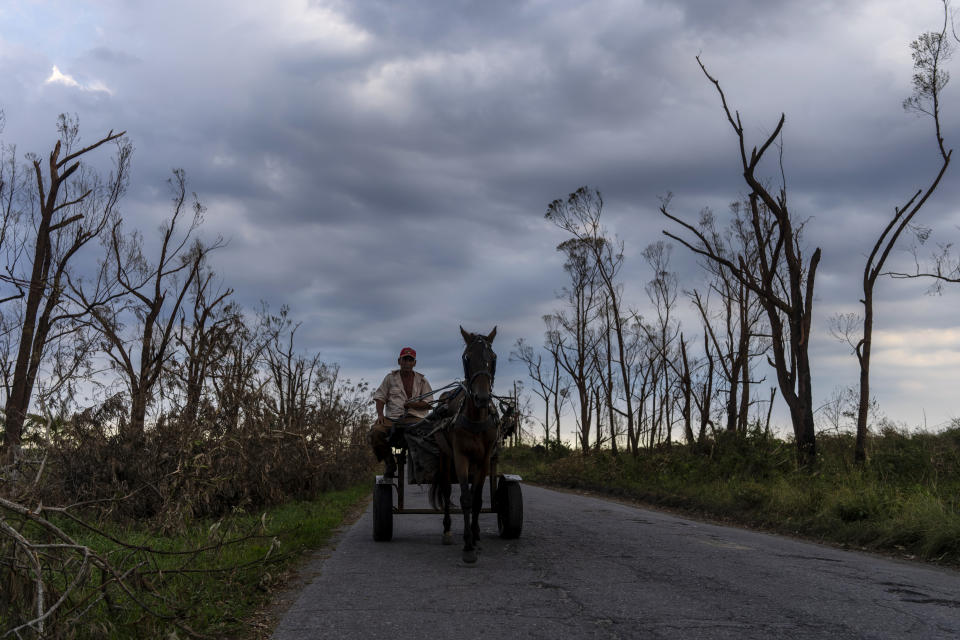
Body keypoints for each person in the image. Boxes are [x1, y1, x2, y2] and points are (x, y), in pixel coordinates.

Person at [370, 347, 433, 477]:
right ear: (399, 361)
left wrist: (413, 404)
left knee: (432, 435)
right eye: (405, 359)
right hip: (392, 419)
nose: (407, 363)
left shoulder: (422, 380)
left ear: (414, 363)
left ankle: (423, 466)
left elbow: (429, 403)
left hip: (415, 418)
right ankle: (389, 463)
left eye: (410, 360)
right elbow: (380, 397)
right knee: (375, 432)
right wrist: (380, 415)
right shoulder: (390, 378)